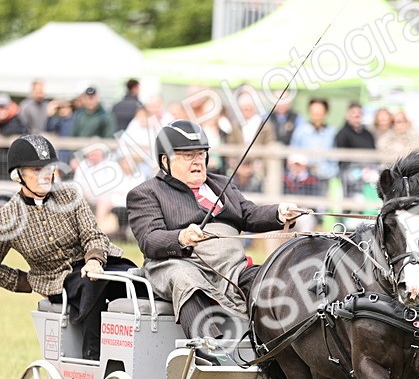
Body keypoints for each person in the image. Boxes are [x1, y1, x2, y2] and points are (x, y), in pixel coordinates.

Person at [127, 120, 304, 347]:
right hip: (178, 263)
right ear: (165, 161)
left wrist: (279, 213)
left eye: (201, 154)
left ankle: (279, 348)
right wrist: (181, 237)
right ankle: (208, 348)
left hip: (232, 267)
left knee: (271, 281)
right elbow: (149, 239)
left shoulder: (221, 183)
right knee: (185, 278)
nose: (197, 161)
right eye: (188, 156)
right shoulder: (146, 192)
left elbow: (248, 214)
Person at [0, 134, 139, 360]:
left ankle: (140, 351)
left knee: (135, 279)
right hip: (61, 280)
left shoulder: (70, 194)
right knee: (93, 285)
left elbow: (92, 233)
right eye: (36, 170)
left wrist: (93, 260)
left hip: (98, 263)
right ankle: (93, 356)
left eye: (49, 168)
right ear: (18, 175)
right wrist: (28, 282)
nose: (45, 175)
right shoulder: (8, 217)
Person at [290, 98, 338, 192]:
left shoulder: (331, 132)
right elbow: (292, 154)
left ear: (326, 113)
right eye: (314, 114)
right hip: (303, 181)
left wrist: (328, 172)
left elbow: (334, 161)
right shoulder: (301, 131)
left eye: (319, 114)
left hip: (324, 179)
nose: (316, 117)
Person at [334, 101, 376, 197]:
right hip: (350, 174)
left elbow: (373, 153)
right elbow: (342, 158)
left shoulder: (368, 134)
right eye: (354, 113)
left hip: (369, 172)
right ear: (347, 115)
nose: (357, 116)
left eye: (359, 113)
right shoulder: (342, 134)